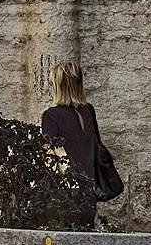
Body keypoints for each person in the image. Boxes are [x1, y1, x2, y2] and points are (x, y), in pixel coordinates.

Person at [41, 61, 116, 195]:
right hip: (90, 189)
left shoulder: (51, 116)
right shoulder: (88, 111)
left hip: (65, 192)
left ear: (58, 87)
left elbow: (50, 160)